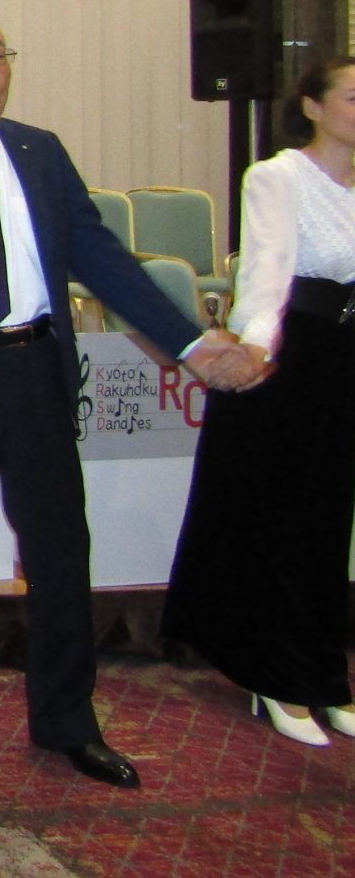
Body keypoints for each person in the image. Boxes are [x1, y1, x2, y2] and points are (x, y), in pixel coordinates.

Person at [0, 8, 251, 792]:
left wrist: (194, 344)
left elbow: (104, 259)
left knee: (62, 556)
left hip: (36, 371)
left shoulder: (40, 151)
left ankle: (69, 722)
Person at [164, 56, 355, 746]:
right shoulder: (279, 176)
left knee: (330, 522)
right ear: (312, 106)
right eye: (353, 97)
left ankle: (326, 675)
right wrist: (253, 355)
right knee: (278, 519)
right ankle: (274, 675)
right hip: (287, 356)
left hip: (345, 359)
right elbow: (268, 273)